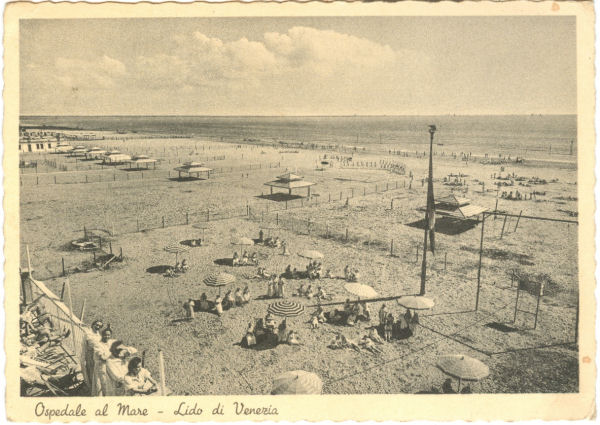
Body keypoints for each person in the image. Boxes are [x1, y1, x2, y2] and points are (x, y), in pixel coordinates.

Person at [92, 325, 114, 396]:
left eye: (109, 335)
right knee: (101, 384)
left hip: (109, 366)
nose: (107, 336)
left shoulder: (110, 343)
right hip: (100, 367)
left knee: (109, 384)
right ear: (102, 335)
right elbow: (103, 357)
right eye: (105, 335)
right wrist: (112, 353)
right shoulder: (98, 345)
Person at [81, 319, 103, 388]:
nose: (98, 327)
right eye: (97, 325)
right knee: (91, 370)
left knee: (97, 371)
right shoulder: (88, 334)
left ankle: (97, 386)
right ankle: (92, 387)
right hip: (90, 355)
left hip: (97, 355)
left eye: (100, 326)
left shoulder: (98, 335)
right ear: (93, 325)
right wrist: (84, 357)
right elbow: (85, 345)